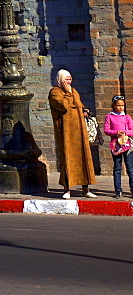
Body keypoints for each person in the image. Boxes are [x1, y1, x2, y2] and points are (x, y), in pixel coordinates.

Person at [48, 69, 96, 199]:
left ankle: (85, 189)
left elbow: (79, 105)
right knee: (68, 159)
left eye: (70, 79)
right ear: (60, 79)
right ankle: (67, 190)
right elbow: (63, 106)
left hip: (79, 131)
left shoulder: (73, 91)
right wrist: (68, 93)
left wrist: (84, 110)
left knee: (83, 158)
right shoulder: (55, 92)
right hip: (66, 133)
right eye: (66, 79)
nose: (68, 82)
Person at [104, 95, 133, 198]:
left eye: (122, 105)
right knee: (117, 168)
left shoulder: (127, 117)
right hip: (116, 146)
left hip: (127, 145)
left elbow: (132, 130)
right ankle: (118, 190)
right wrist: (116, 132)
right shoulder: (109, 116)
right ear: (113, 105)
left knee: (130, 168)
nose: (121, 107)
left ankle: (132, 189)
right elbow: (106, 130)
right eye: (118, 105)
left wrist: (125, 132)